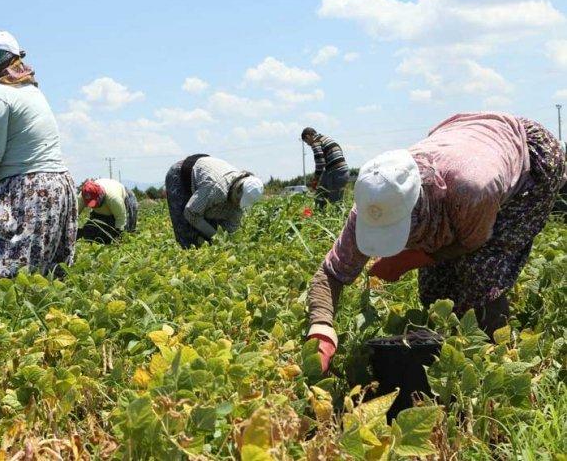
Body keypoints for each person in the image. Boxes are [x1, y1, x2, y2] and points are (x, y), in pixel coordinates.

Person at [306, 113, 566, 373]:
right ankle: (445, 356)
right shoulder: (375, 199)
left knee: (481, 270)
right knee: (434, 290)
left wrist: (408, 259)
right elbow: (331, 273)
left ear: (418, 208)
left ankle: (496, 363)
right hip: (461, 138)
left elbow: (472, 242)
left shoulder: (472, 189)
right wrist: (321, 328)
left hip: (528, 154)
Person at [0, 29, 77, 289]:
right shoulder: (32, 91)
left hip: (28, 188)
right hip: (57, 185)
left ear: (2, 58)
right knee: (41, 276)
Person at [165, 154, 264, 248]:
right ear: (238, 189)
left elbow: (230, 229)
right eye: (239, 200)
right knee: (186, 234)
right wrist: (216, 237)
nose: (238, 205)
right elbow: (191, 213)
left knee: (207, 230)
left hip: (203, 180)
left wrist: (225, 241)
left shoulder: (239, 201)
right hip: (181, 174)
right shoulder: (215, 188)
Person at [301, 127, 349, 211]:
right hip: (339, 172)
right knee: (320, 196)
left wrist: (315, 180)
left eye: (306, 141)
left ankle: (345, 222)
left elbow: (320, 163)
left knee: (336, 203)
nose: (308, 144)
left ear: (308, 136)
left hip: (336, 173)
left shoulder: (315, 143)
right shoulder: (325, 138)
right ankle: (319, 216)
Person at [77, 178, 139, 244]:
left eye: (94, 203)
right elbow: (73, 215)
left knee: (127, 232)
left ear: (100, 195)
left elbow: (121, 219)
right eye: (90, 204)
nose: (93, 206)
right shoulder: (83, 197)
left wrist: (118, 236)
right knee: (92, 231)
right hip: (107, 203)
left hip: (124, 197)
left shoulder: (114, 199)